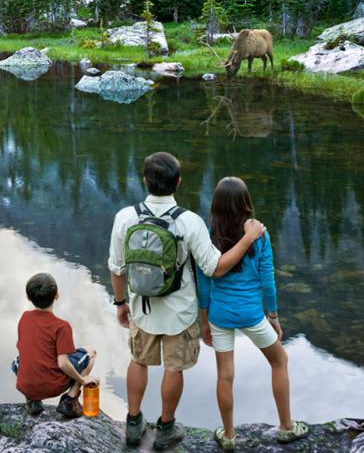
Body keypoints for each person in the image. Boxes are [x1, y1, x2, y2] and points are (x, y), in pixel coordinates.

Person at [108, 152, 266, 449]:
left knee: (138, 361)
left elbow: (116, 268)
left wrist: (120, 303)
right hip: (179, 313)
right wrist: (247, 240)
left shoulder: (125, 217)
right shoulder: (189, 221)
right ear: (178, 182)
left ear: (145, 181)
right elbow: (215, 267)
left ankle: (133, 423)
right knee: (174, 368)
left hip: (142, 308)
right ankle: (165, 427)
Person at [197, 177, 309, 450]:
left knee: (225, 375)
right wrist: (272, 315)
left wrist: (204, 323)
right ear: (246, 203)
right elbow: (267, 280)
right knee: (279, 361)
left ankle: (229, 435)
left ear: (216, 205)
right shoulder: (260, 237)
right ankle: (285, 427)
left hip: (220, 315)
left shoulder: (208, 236)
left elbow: (204, 285)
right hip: (252, 315)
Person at [14, 272, 99, 417]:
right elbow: (63, 364)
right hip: (54, 385)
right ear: (57, 296)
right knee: (91, 352)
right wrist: (83, 380)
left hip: (26, 386)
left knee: (16, 361)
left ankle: (33, 401)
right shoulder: (61, 326)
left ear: (28, 298)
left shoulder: (24, 317)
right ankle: (70, 400)